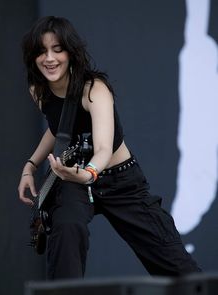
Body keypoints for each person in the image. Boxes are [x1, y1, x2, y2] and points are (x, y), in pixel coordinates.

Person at [18, 16, 201, 279]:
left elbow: (104, 147)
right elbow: (58, 128)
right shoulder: (38, 89)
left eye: (57, 50)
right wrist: (30, 165)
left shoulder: (94, 88)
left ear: (70, 52)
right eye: (41, 51)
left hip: (118, 180)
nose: (49, 58)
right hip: (72, 179)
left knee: (174, 261)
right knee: (67, 230)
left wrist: (88, 173)